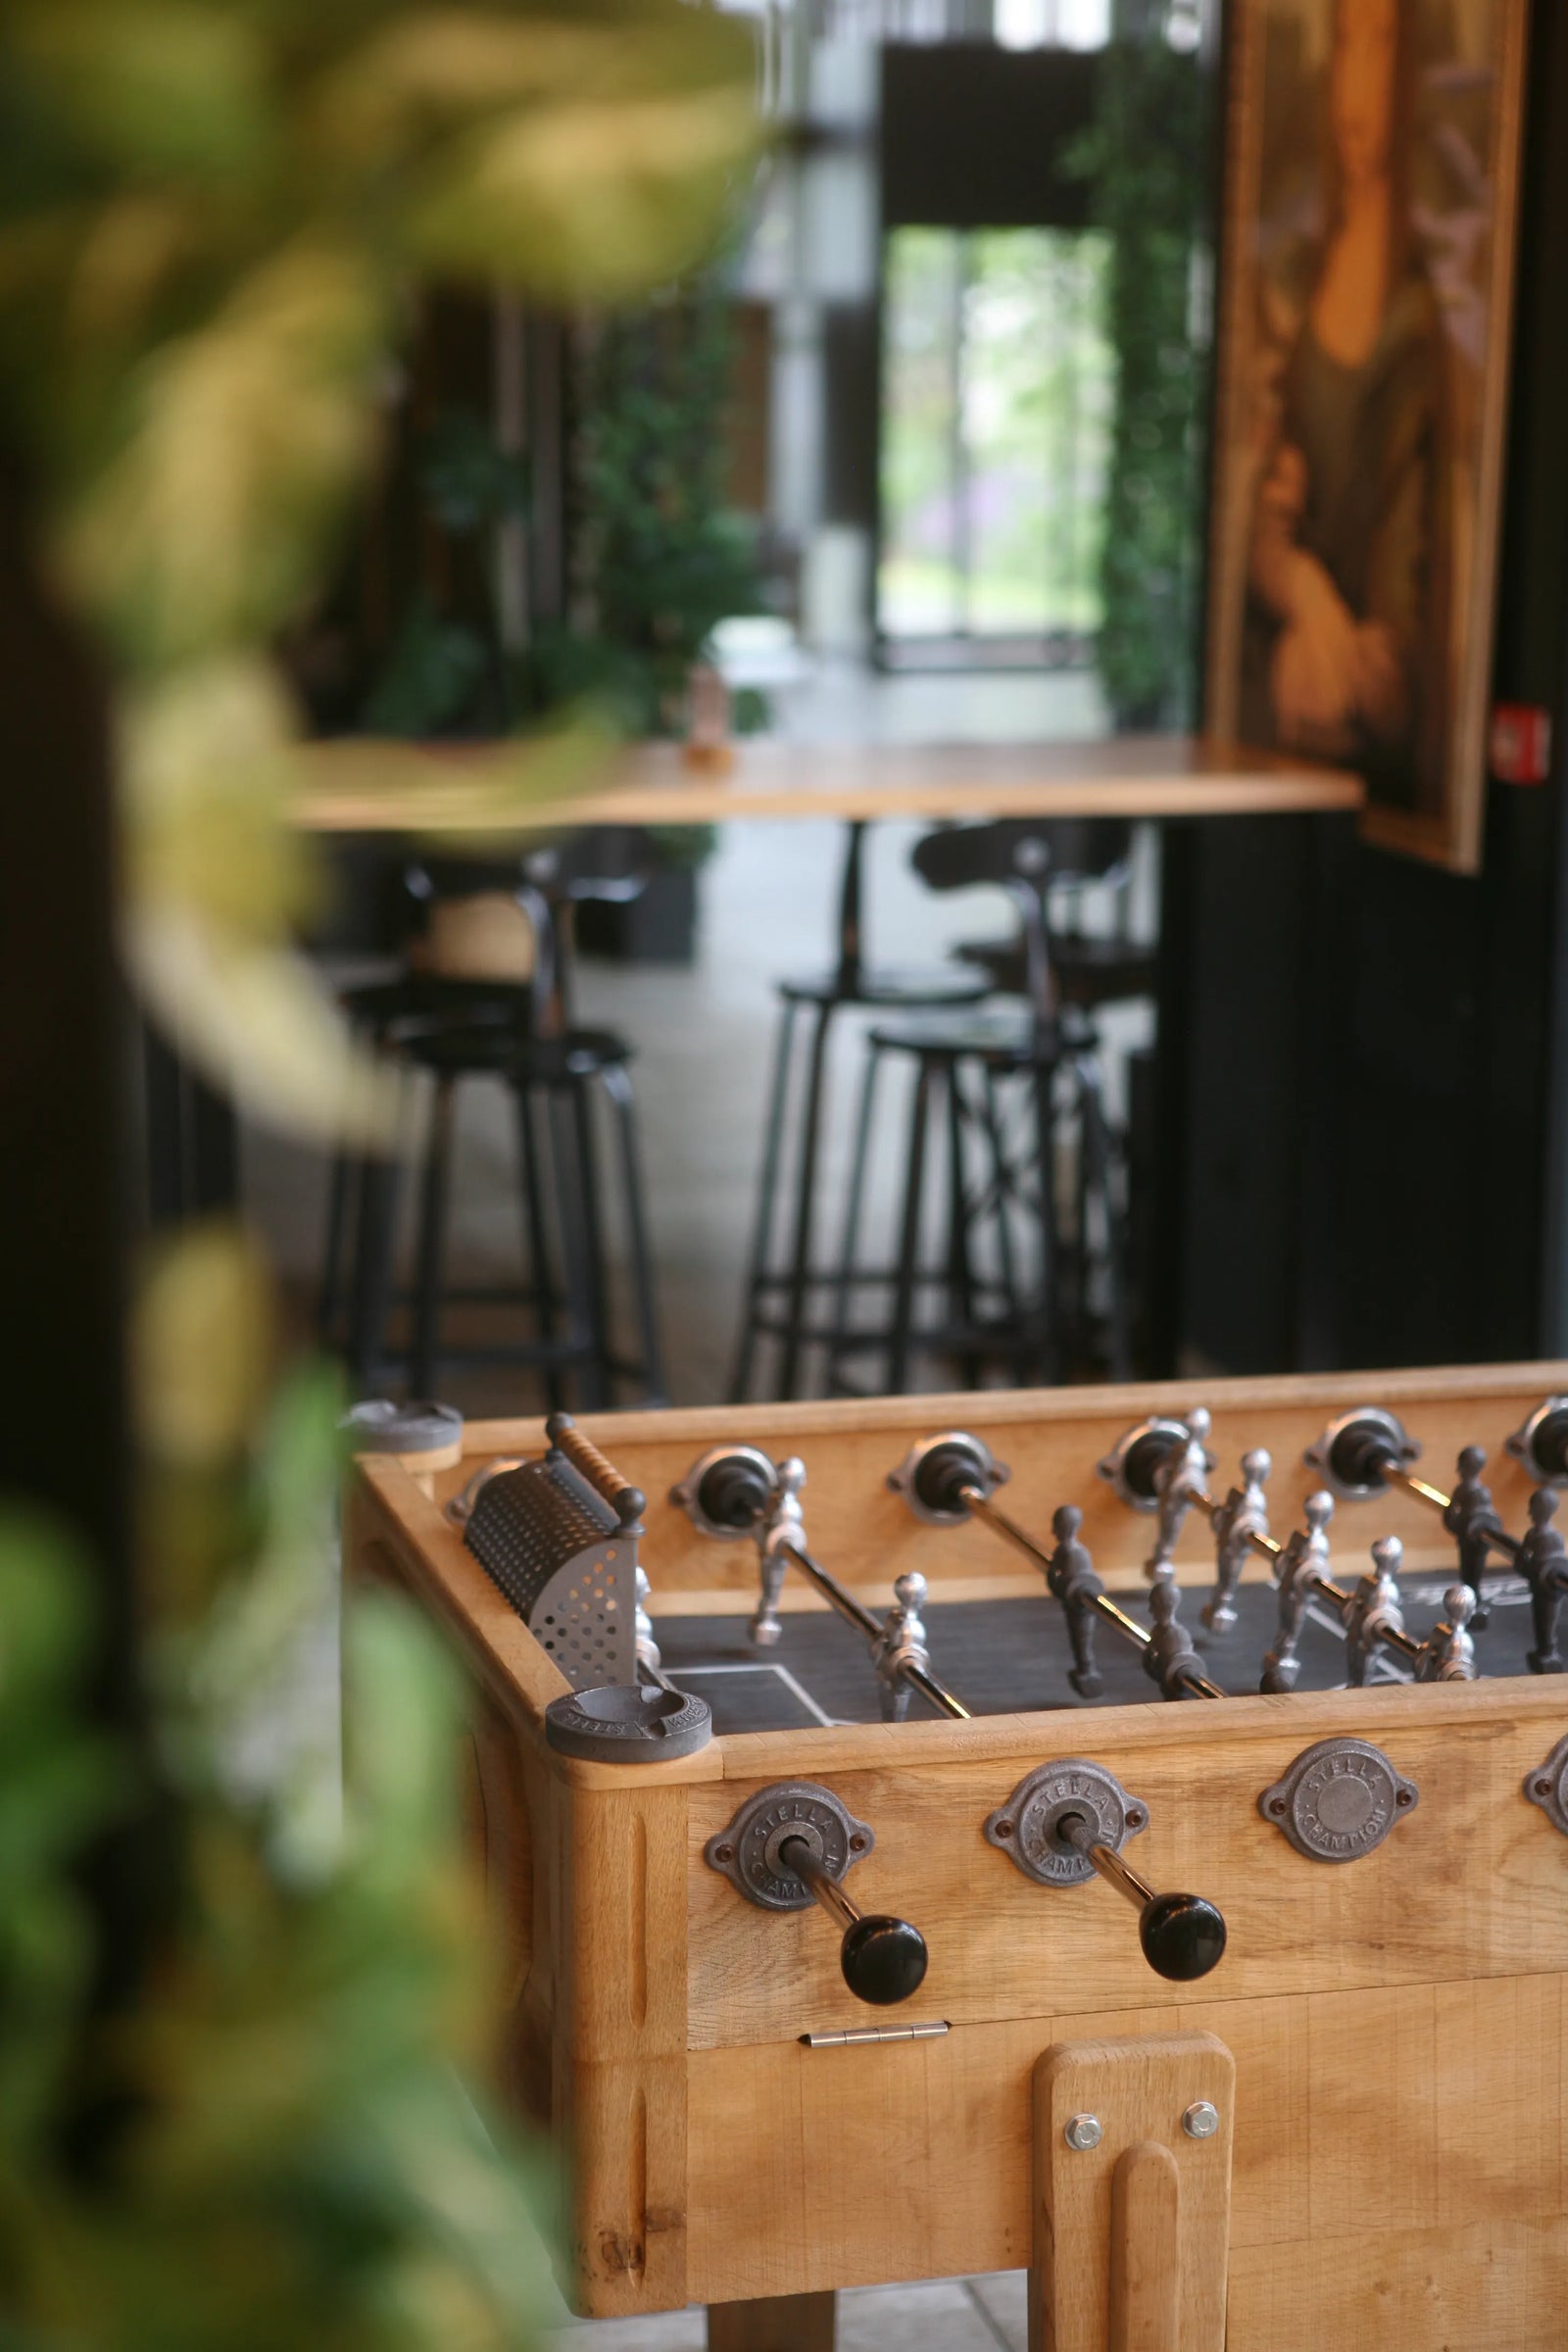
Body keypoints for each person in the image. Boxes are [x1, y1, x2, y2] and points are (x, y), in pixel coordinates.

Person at [1240, 0, 1447, 810]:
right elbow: (1261, 498)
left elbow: (1411, 526)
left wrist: (1372, 650)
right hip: (1282, 681)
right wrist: (1302, 589)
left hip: (1356, 695)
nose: (1358, 89)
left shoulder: (1425, 317)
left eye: (1381, 48)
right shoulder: (1285, 275)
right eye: (1348, 49)